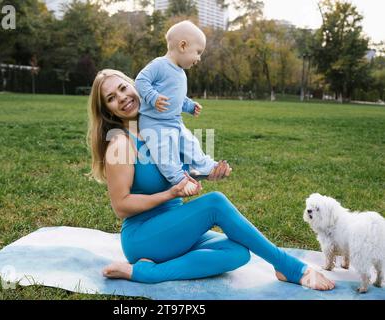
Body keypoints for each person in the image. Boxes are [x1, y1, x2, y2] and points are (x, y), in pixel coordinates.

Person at [87, 69, 335, 290]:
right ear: (107, 109)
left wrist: (207, 173)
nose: (121, 97)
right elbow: (121, 206)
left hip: (174, 230)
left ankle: (148, 270)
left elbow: (176, 175)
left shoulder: (162, 127)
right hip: (144, 236)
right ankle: (289, 267)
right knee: (215, 203)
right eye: (111, 98)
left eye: (122, 88)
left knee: (238, 252)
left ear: (134, 86)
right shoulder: (121, 142)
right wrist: (170, 194)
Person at [135, 20, 217, 195]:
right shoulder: (159, 64)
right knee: (165, 153)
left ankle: (206, 165)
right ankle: (179, 179)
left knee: (191, 143)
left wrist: (189, 105)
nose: (199, 58)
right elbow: (140, 81)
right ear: (183, 46)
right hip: (154, 123)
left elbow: (177, 97)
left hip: (174, 121)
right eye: (198, 52)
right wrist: (152, 97)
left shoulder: (181, 73)